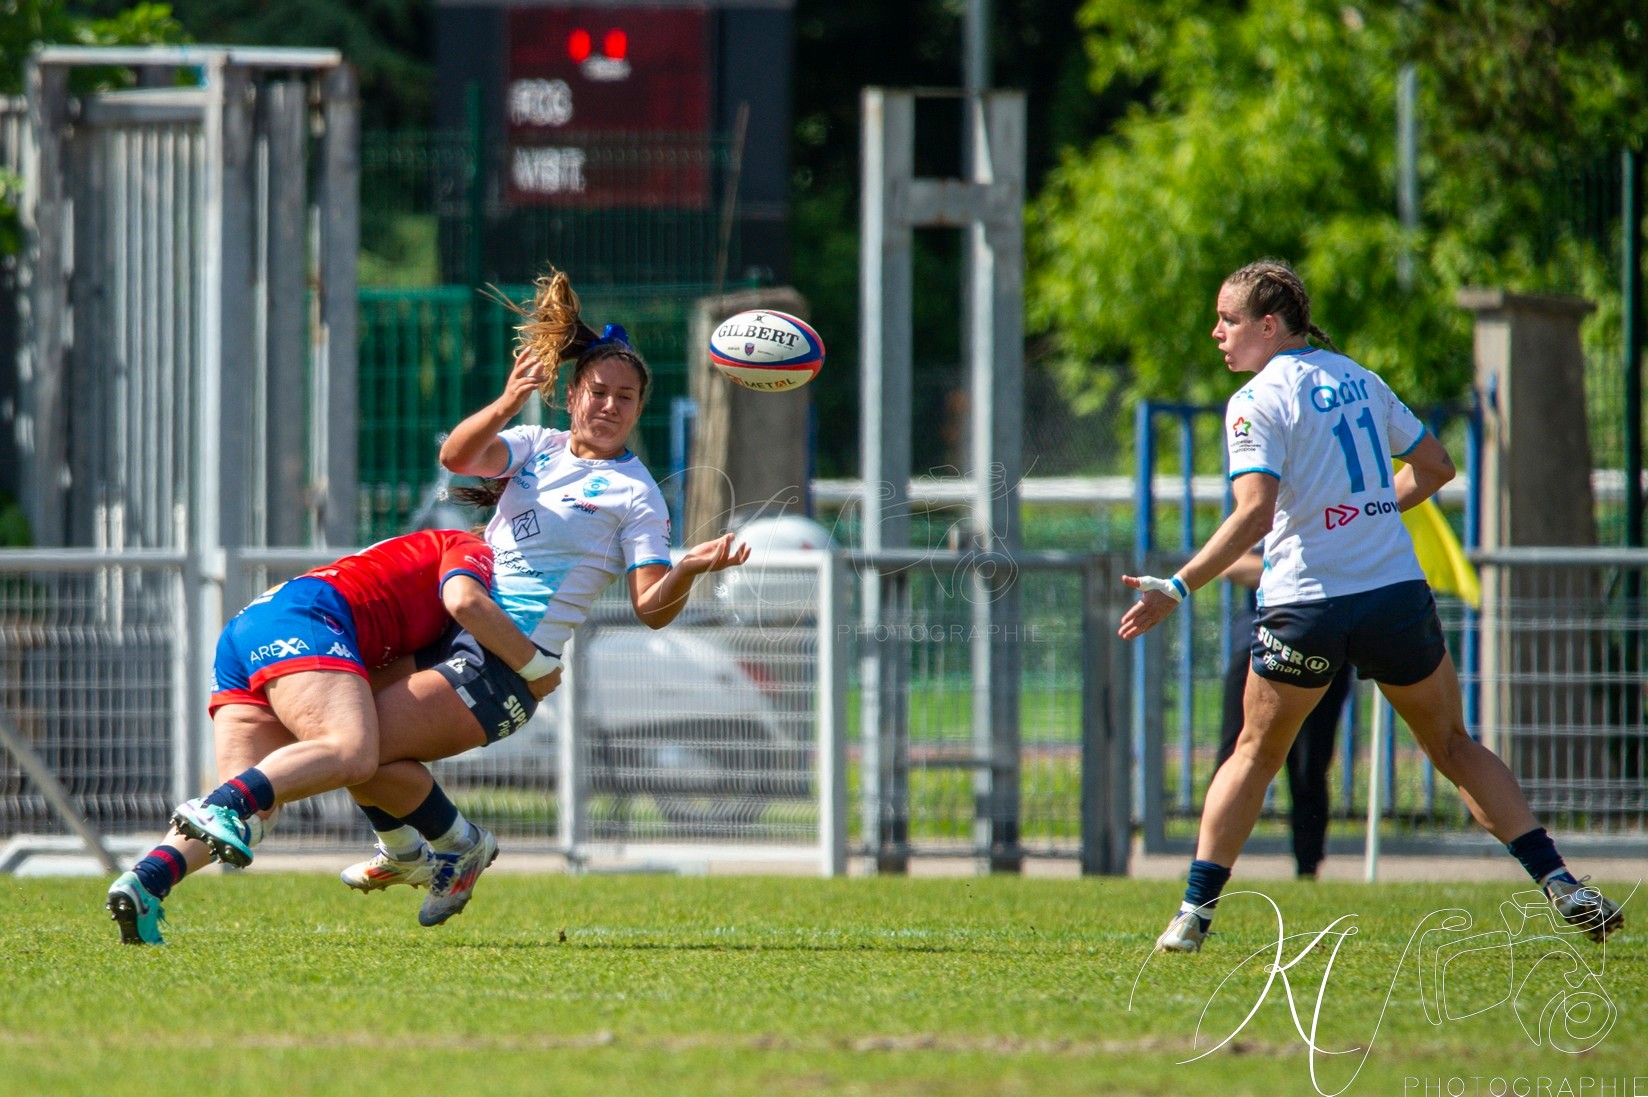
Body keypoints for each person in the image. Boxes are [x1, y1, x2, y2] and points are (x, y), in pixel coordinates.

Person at [1120, 258, 1625, 954]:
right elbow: (1439, 466)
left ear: (1269, 326)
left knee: (1256, 753)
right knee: (1453, 744)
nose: (1217, 332)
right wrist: (1373, 505)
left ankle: (1193, 914)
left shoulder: (1257, 399)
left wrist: (1176, 586)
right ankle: (1560, 879)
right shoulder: (1360, 378)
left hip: (1307, 604)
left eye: (1228, 319)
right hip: (1392, 595)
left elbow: (1254, 511)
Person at [330, 268, 750, 896]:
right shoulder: (535, 445)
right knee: (343, 732)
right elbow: (456, 459)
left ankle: (451, 849)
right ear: (573, 392)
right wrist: (504, 402)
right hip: (450, 629)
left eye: (626, 397)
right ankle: (406, 850)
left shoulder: (637, 496)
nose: (610, 406)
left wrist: (686, 567)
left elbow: (651, 609)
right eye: (599, 391)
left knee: (357, 746)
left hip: (509, 665)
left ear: (640, 408)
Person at [105, 529, 560, 944]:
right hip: (308, 616)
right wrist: (536, 667)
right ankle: (222, 805)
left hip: (251, 626)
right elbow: (465, 599)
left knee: (266, 807)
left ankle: (146, 882)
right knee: (351, 751)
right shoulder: (473, 546)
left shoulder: (414, 582)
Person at [1214, 549, 1352, 880]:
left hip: (1324, 637)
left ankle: (1308, 867)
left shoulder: (1338, 506)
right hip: (1257, 639)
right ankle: (1208, 864)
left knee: (1310, 762)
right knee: (1235, 756)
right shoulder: (1266, 505)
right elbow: (1230, 561)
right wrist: (1300, 578)